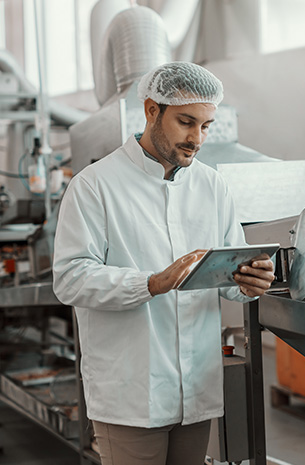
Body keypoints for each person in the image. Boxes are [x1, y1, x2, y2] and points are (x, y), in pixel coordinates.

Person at [52, 62, 275, 465]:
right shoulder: (95, 186)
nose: (197, 139)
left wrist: (246, 283)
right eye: (186, 122)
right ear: (152, 110)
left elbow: (226, 275)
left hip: (196, 384)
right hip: (130, 391)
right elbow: (70, 279)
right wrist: (152, 283)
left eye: (206, 126)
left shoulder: (212, 185)